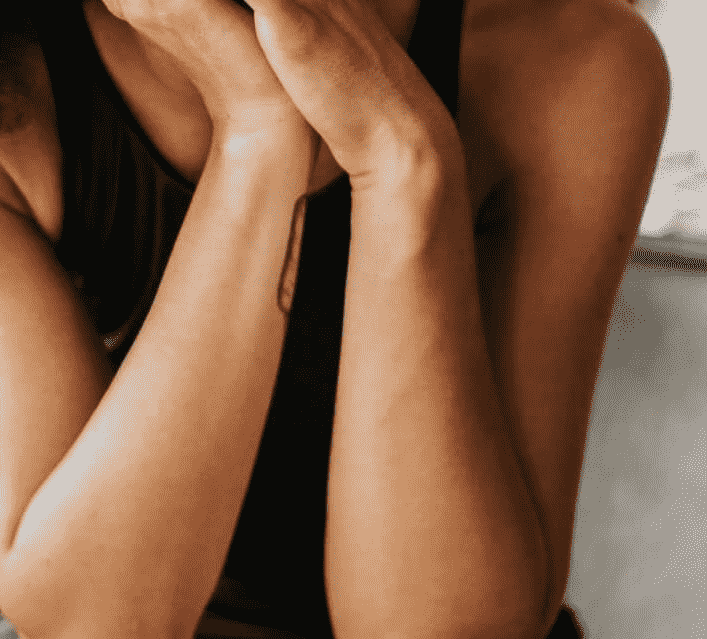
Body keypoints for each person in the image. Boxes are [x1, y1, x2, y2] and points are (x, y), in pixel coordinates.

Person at [0, 0, 667, 638]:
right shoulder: (17, 90)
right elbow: (92, 626)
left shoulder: (569, 55)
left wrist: (398, 154)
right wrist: (258, 132)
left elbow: (442, 632)